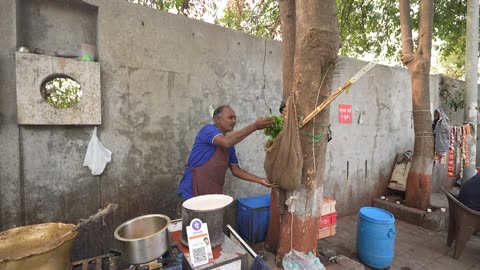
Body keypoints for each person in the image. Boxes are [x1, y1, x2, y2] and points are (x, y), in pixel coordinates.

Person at [177, 105, 278, 200]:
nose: (234, 121)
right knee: (193, 218)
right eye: (230, 118)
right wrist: (254, 126)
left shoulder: (230, 145)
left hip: (212, 193)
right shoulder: (208, 130)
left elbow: (236, 170)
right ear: (218, 120)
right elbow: (226, 142)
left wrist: (260, 180)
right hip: (192, 191)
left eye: (234, 118)